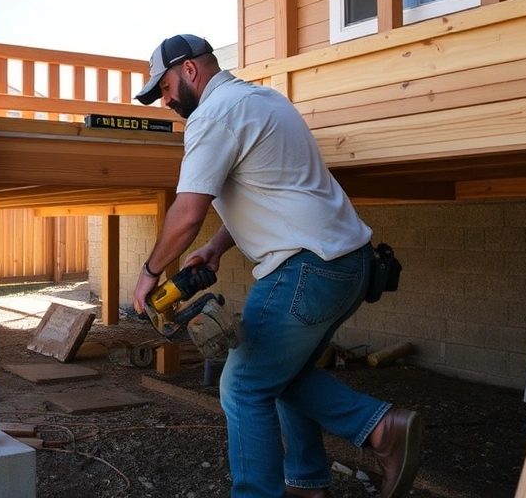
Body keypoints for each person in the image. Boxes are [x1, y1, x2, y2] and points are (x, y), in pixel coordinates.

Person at [131, 34, 423, 498]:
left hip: (305, 267)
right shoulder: (263, 100)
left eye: (164, 88)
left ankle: (381, 429)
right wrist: (217, 248)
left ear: (189, 70)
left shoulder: (212, 115)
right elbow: (272, 189)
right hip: (348, 264)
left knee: (244, 386)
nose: (165, 100)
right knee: (280, 375)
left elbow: (186, 213)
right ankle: (307, 482)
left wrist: (149, 273)